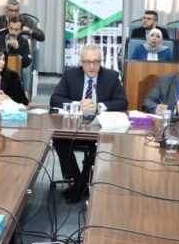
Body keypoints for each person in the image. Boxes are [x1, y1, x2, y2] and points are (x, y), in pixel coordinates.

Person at [50, 44, 128, 203]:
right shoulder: (70, 75)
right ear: (81, 62)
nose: (91, 66)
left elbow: (122, 102)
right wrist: (78, 104)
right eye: (87, 62)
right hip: (73, 125)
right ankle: (79, 182)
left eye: (96, 62)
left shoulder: (111, 76)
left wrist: (98, 106)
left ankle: (80, 184)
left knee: (98, 144)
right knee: (59, 140)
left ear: (101, 61)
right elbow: (55, 99)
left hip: (99, 127)